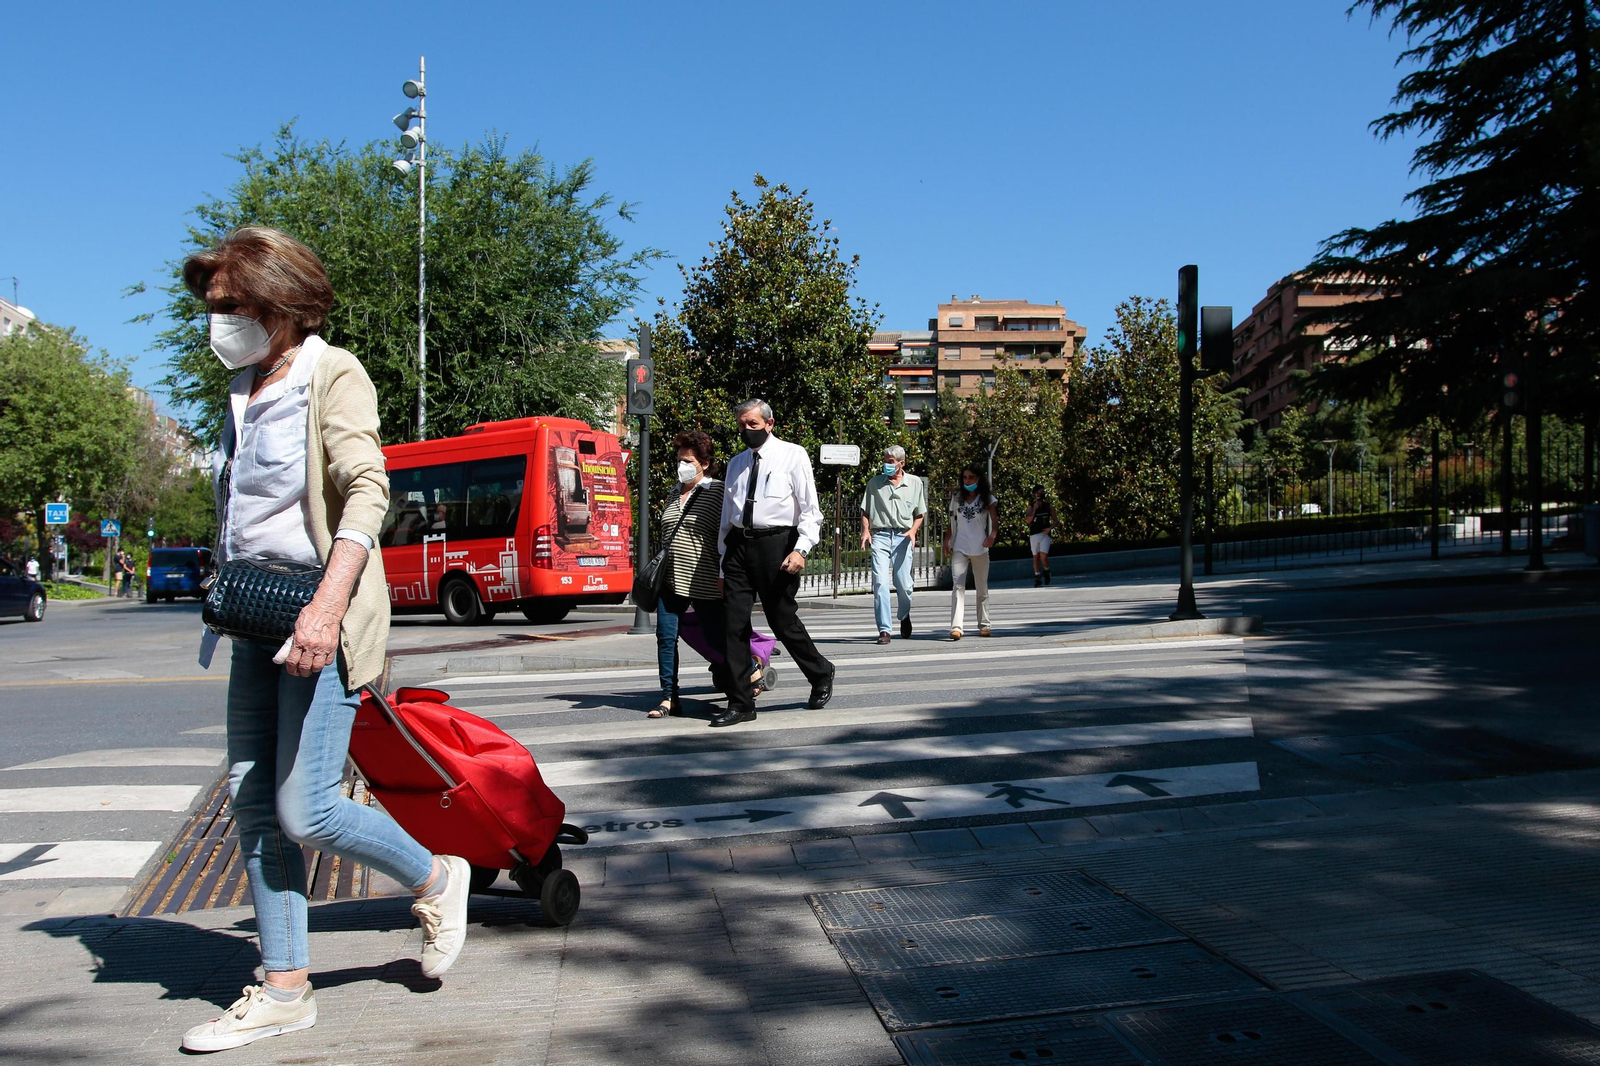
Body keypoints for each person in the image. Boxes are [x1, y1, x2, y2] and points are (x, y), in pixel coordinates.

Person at [180, 226, 469, 1053]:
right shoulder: (242, 384)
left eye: (230, 306)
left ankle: (437, 873)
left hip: (320, 617)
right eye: (211, 307)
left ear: (279, 302)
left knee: (304, 808)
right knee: (252, 802)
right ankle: (284, 988)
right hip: (254, 618)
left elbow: (367, 492)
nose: (218, 320)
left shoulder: (329, 372)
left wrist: (326, 610)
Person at [717, 399, 835, 728]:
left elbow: (811, 510)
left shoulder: (792, 455)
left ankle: (820, 671)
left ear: (769, 424)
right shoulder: (736, 463)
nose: (746, 431)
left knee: (781, 620)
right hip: (740, 547)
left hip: (777, 545)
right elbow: (728, 518)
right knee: (734, 623)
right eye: (742, 425)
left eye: (753, 425)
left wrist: (801, 549)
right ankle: (741, 702)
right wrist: (721, 562)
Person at [650, 431, 771, 718]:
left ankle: (750, 670)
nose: (682, 465)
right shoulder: (672, 492)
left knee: (718, 639)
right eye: (680, 459)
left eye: (688, 460)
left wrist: (725, 573)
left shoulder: (717, 491)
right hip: (671, 578)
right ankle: (669, 697)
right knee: (665, 637)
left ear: (704, 463)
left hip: (705, 579)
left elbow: (728, 534)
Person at [859, 445, 926, 644]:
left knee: (904, 585)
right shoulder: (874, 483)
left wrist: (913, 531)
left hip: (903, 536)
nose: (886, 465)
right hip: (880, 536)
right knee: (880, 582)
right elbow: (865, 511)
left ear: (901, 463)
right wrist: (865, 531)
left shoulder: (914, 483)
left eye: (891, 462)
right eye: (885, 460)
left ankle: (904, 615)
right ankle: (885, 630)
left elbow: (920, 514)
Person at [942, 464, 998, 639]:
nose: (967, 480)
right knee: (958, 586)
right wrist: (946, 541)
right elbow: (953, 521)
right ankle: (956, 627)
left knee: (982, 588)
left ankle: (984, 625)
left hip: (980, 548)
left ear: (978, 479)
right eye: (965, 477)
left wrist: (992, 536)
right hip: (960, 547)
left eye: (971, 477)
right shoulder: (957, 498)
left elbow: (995, 522)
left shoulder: (987, 499)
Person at [1024, 486, 1054, 586]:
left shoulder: (1048, 506)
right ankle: (1037, 577)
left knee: (1043, 556)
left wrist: (1050, 528)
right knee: (1035, 556)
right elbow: (1028, 520)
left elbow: (1056, 520)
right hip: (1034, 533)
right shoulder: (1031, 506)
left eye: (1042, 492)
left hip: (1045, 533)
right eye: (1039, 493)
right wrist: (1034, 510)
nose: (1040, 495)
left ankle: (1047, 570)